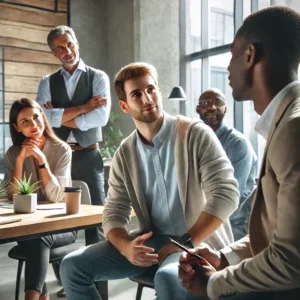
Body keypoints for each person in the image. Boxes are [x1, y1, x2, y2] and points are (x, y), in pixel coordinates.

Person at [59, 62, 239, 300]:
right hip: (152, 243)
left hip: (196, 242)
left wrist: (185, 241)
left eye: (151, 89)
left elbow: (226, 195)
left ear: (159, 92)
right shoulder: (125, 152)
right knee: (72, 266)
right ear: (125, 106)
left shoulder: (196, 134)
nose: (147, 98)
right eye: (137, 94)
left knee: (166, 277)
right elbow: (113, 211)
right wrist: (125, 246)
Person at [179, 6, 300, 299]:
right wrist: (225, 257)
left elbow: (291, 260)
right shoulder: (282, 122)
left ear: (249, 56)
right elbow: (277, 233)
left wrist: (213, 283)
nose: (229, 67)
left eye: (232, 54)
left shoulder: (293, 129)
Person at [36, 25, 111, 245]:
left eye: (70, 44)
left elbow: (101, 118)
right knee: (55, 214)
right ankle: (61, 266)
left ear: (76, 43)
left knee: (97, 217)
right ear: (54, 53)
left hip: (89, 155)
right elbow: (42, 119)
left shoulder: (99, 77)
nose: (67, 50)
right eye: (61, 48)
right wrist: (85, 107)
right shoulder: (46, 82)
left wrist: (58, 116)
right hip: (57, 156)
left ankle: (98, 276)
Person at [4, 98, 75, 300]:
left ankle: (34, 297)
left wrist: (42, 161)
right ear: (17, 127)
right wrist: (20, 160)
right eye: (25, 122)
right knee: (33, 236)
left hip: (62, 225)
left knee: (37, 237)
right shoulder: (12, 154)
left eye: (36, 117)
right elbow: (12, 197)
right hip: (29, 225)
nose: (34, 125)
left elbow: (56, 197)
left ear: (43, 117)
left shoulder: (62, 149)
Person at [196, 88, 257, 240]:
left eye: (218, 102)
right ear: (198, 109)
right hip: (202, 217)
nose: (211, 107)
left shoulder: (238, 143)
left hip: (231, 225)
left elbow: (231, 195)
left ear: (225, 109)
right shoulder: (196, 139)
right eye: (206, 103)